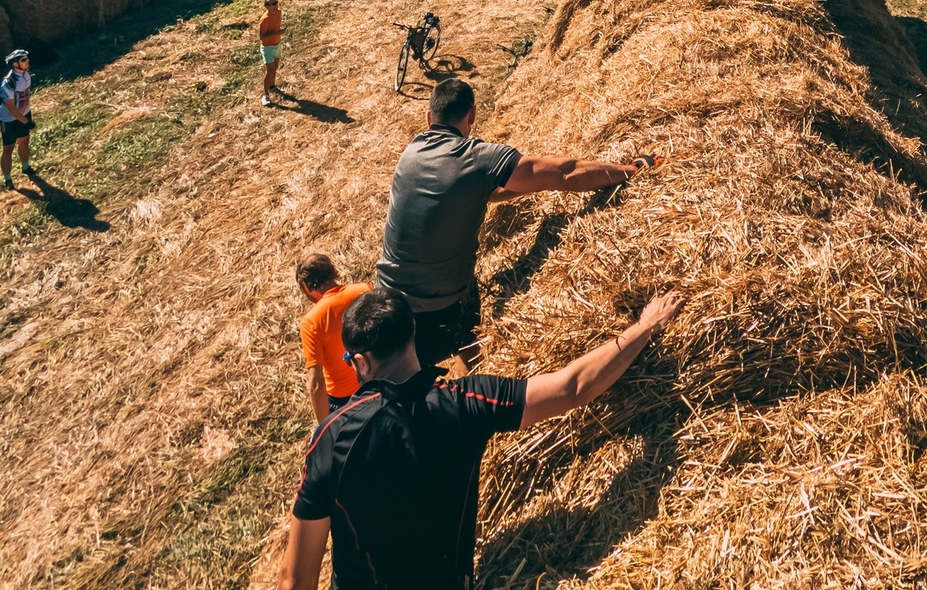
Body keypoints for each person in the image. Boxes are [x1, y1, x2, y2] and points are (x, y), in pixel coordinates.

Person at [277, 283, 683, 590]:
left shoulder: (330, 438)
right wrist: (644, 327)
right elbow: (572, 387)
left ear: (359, 361)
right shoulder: (466, 401)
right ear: (412, 333)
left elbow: (297, 581)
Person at [374, 78, 651, 369]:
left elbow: (484, 192)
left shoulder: (410, 154)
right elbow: (566, 173)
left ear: (429, 118)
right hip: (440, 308)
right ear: (472, 114)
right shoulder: (476, 158)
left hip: (386, 303)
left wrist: (535, 185)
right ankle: (475, 374)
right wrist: (631, 169)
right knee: (468, 326)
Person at [297, 254, 372, 425]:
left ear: (307, 286)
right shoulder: (364, 290)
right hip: (376, 381)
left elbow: (316, 385)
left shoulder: (311, 322)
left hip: (343, 402)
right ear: (333, 272)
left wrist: (324, 429)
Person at [0, 48, 34, 189]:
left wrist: (26, 117)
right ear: (15, 64)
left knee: (24, 141)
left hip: (24, 114)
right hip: (9, 120)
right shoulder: (8, 82)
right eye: (23, 60)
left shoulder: (27, 74)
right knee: (8, 148)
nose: (27, 61)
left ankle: (26, 167)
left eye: (27, 58)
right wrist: (26, 121)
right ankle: (8, 180)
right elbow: (11, 107)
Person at [261, 0, 284, 106]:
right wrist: (276, 34)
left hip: (277, 44)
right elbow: (262, 36)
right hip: (268, 47)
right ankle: (265, 95)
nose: (275, 5)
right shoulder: (264, 19)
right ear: (266, 7)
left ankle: (272, 86)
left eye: (275, 3)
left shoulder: (279, 13)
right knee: (269, 70)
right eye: (272, 4)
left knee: (275, 67)